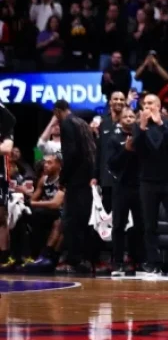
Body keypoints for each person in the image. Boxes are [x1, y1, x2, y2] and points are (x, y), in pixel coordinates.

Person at [134, 94, 168, 276]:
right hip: (147, 181)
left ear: (158, 106)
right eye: (145, 104)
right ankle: (153, 262)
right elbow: (137, 149)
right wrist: (142, 127)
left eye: (151, 103)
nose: (147, 106)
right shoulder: (138, 126)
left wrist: (159, 124)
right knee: (149, 225)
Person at [54, 99, 97, 274]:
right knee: (85, 221)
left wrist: (63, 178)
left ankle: (74, 260)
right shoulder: (82, 123)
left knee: (72, 222)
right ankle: (87, 259)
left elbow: (70, 154)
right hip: (87, 178)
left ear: (57, 111)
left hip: (76, 179)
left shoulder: (67, 123)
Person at [106, 107, 145, 276]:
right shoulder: (114, 139)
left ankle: (138, 260)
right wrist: (126, 150)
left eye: (131, 116)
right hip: (121, 187)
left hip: (140, 186)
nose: (129, 119)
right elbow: (112, 163)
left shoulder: (140, 137)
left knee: (140, 225)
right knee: (119, 225)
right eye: (126, 116)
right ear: (120, 120)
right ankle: (118, 261)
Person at [0, 103, 16, 271]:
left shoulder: (6, 127)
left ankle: (4, 258)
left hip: (0, 175)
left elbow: (7, 148)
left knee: (0, 217)